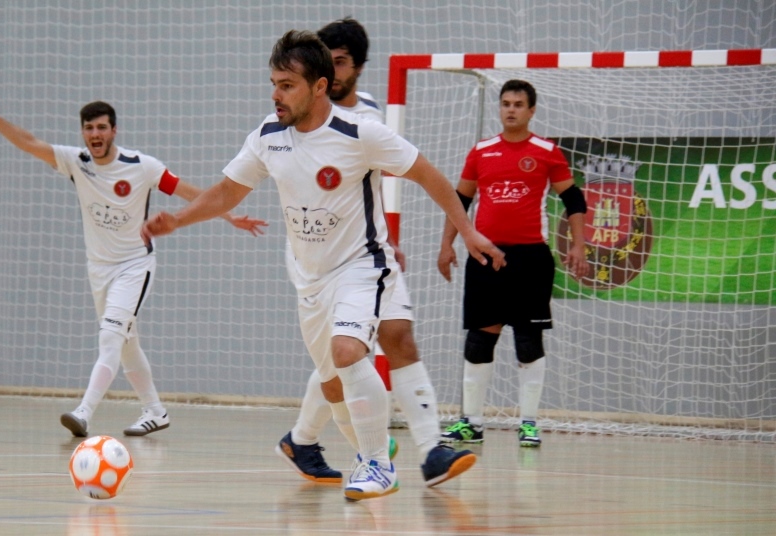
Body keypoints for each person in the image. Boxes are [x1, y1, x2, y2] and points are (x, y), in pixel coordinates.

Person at [142, 30, 504, 501]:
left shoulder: (360, 133)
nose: (276, 94)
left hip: (361, 265)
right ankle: (340, 449)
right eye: (273, 82)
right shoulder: (267, 138)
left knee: (350, 352)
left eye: (287, 84)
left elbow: (428, 174)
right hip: (308, 278)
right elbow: (227, 192)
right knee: (332, 386)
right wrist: (180, 220)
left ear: (318, 86)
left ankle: (379, 465)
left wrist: (467, 229)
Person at [0, 95, 266, 439]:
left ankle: (84, 412)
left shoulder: (142, 165)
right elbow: (30, 143)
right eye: (89, 128)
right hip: (99, 270)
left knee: (110, 337)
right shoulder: (74, 161)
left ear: (114, 131)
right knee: (125, 344)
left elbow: (187, 191)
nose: (95, 133)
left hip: (135, 265)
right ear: (83, 133)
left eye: (102, 127)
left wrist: (230, 216)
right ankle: (155, 410)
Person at [276, 17, 449, 488]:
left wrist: (390, 239)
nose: (332, 69)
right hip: (317, 259)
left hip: (367, 253)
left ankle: (430, 449)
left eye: (341, 60)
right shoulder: (289, 125)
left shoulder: (369, 118)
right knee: (340, 357)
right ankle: (310, 438)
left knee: (391, 337)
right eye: (325, 61)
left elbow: (382, 181)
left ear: (358, 68)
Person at [436, 79, 590, 448]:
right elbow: (459, 202)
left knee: (527, 339)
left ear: (531, 110)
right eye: (506, 103)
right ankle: (470, 423)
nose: (511, 110)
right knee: (479, 338)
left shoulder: (547, 151)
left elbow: (574, 200)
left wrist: (580, 247)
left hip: (530, 259)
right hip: (484, 255)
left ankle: (529, 423)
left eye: (518, 104)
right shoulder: (481, 152)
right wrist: (447, 245)